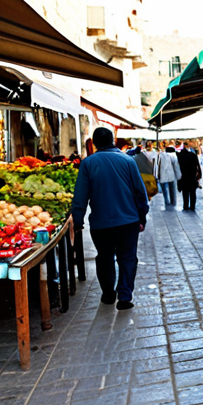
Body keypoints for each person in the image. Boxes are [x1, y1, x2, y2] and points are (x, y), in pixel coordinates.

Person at [71, 128, 149, 310]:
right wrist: (142, 217)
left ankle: (108, 294)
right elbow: (140, 193)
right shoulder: (128, 161)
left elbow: (80, 195)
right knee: (127, 258)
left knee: (104, 257)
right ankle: (124, 296)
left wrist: (78, 220)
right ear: (113, 140)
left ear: (94, 143)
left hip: (101, 223)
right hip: (128, 221)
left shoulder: (88, 163)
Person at [177, 143, 201, 211]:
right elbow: (197, 165)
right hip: (192, 176)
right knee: (192, 192)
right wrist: (199, 175)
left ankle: (185, 205)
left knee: (185, 192)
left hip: (183, 177)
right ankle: (192, 206)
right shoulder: (193, 155)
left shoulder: (179, 156)